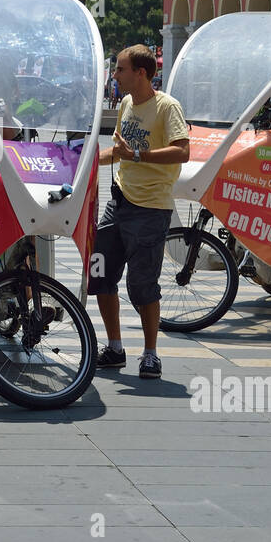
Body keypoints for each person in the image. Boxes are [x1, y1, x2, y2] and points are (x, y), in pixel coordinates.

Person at [91, 45, 190, 380]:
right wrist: (86, 161)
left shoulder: (167, 107)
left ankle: (151, 354)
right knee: (101, 276)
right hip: (118, 202)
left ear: (141, 73)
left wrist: (137, 156)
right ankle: (115, 348)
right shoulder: (125, 104)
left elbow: (182, 152)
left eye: (120, 69)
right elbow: (121, 152)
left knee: (142, 285)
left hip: (150, 210)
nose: (115, 76)